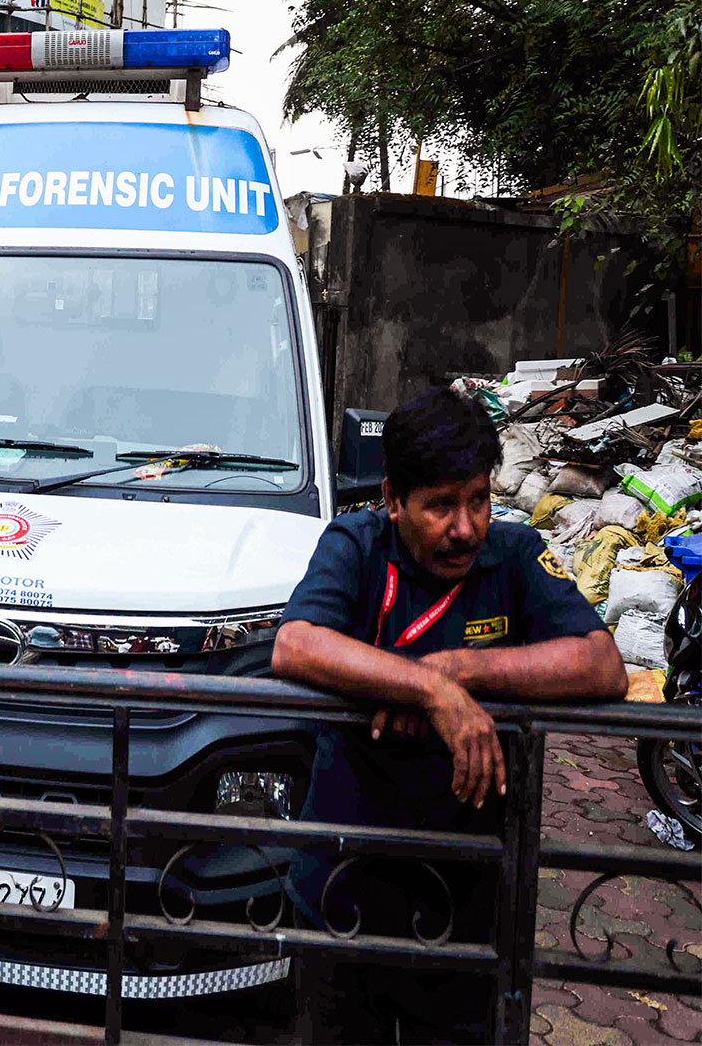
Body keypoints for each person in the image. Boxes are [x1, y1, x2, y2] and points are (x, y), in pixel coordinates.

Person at [273, 387, 626, 1044]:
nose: (465, 526)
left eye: (479, 499)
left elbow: (600, 664)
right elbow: (296, 644)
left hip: (466, 899)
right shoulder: (355, 544)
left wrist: (459, 671)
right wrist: (430, 695)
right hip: (343, 888)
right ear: (392, 500)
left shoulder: (515, 556)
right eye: (439, 506)